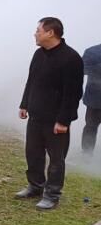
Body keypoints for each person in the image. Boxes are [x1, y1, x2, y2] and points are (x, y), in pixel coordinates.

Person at [17, 17, 84, 210]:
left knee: (56, 159)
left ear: (50, 33)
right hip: (36, 116)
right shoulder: (39, 54)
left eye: (38, 30)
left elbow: (73, 93)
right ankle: (35, 186)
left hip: (56, 120)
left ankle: (52, 194)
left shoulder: (71, 58)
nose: (35, 34)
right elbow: (31, 80)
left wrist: (63, 121)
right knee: (33, 153)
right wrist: (24, 104)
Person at [81, 43, 101, 156]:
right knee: (91, 126)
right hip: (94, 100)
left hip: (93, 98)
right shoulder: (92, 51)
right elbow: (82, 69)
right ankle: (86, 153)